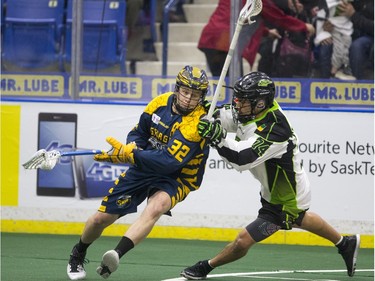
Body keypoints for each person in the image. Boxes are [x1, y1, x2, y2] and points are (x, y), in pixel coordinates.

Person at [180, 71, 361, 280]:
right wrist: (210, 117)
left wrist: (217, 138)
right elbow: (226, 117)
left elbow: (241, 158)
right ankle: (345, 244)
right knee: (300, 218)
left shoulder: (275, 130)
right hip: (279, 189)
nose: (237, 104)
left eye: (243, 100)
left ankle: (205, 267)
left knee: (243, 241)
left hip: (285, 198)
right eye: (237, 98)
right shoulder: (251, 111)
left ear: (260, 103)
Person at [67, 65, 211, 280]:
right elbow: (139, 132)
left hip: (178, 176)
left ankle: (116, 254)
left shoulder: (196, 124)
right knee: (101, 219)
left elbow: (168, 162)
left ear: (202, 96)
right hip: (144, 166)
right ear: (177, 88)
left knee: (157, 206)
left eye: (196, 95)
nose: (189, 99)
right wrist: (132, 147)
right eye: (186, 92)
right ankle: (78, 253)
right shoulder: (160, 102)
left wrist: (130, 156)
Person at [197, 0, 315, 77]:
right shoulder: (257, 1)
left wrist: (266, 32)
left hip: (211, 39)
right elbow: (279, 18)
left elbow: (239, 20)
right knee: (231, 88)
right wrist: (303, 26)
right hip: (224, 44)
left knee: (223, 85)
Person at [314, 0, 355, 80]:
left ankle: (344, 69)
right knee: (335, 48)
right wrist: (321, 34)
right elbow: (320, 18)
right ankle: (333, 72)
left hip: (347, 29)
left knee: (347, 45)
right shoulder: (325, 4)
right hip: (331, 30)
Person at [338, 0, 374, 80]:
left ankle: (359, 83)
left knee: (357, 46)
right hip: (347, 33)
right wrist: (328, 22)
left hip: (370, 37)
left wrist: (353, 15)